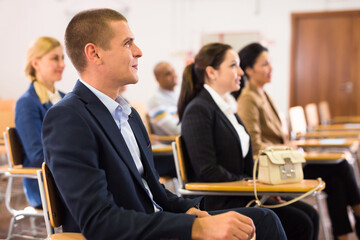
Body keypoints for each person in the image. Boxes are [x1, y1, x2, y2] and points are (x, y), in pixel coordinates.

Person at [41, 8, 286, 240]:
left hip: (157, 225)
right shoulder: (68, 118)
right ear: (94, 53)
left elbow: (155, 192)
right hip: (137, 233)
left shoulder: (129, 113)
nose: (138, 51)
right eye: (127, 43)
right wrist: (194, 228)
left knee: (263, 219)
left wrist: (189, 210)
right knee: (264, 222)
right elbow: (100, 221)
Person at [179, 42, 318, 240]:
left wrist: (262, 190)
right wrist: (250, 187)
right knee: (299, 222)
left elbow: (244, 161)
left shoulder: (226, 107)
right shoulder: (199, 110)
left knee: (309, 214)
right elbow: (207, 170)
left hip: (239, 192)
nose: (241, 71)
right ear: (212, 72)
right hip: (220, 199)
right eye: (234, 65)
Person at [236, 42, 360, 240]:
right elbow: (255, 145)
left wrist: (290, 148)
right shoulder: (247, 99)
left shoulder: (262, 94)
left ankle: (343, 234)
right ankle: (358, 213)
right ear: (249, 70)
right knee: (341, 166)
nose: (271, 68)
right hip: (276, 165)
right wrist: (288, 149)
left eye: (270, 63)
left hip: (287, 159)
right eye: (265, 64)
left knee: (336, 178)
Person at [15, 36, 65, 208]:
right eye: (55, 58)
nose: (62, 64)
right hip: (45, 185)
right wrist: (77, 158)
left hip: (68, 176)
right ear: (36, 64)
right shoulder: (27, 103)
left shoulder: (66, 99)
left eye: (62, 58)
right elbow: (37, 155)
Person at [147, 61, 180, 136]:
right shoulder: (155, 100)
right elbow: (176, 131)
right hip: (170, 145)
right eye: (168, 74)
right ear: (158, 79)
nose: (174, 75)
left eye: (173, 71)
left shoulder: (179, 93)